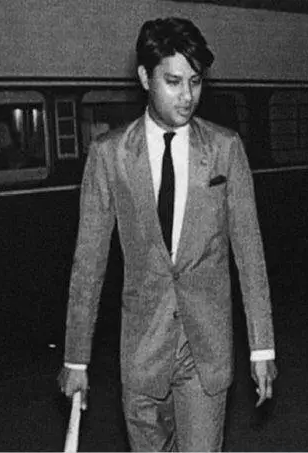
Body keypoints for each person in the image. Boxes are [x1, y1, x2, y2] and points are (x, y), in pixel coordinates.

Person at [57, 17, 277, 452]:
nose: (187, 96)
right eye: (173, 82)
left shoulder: (226, 149)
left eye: (195, 82)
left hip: (205, 351)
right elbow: (88, 264)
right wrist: (75, 358)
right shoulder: (110, 155)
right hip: (142, 353)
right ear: (145, 78)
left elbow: (250, 255)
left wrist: (262, 349)